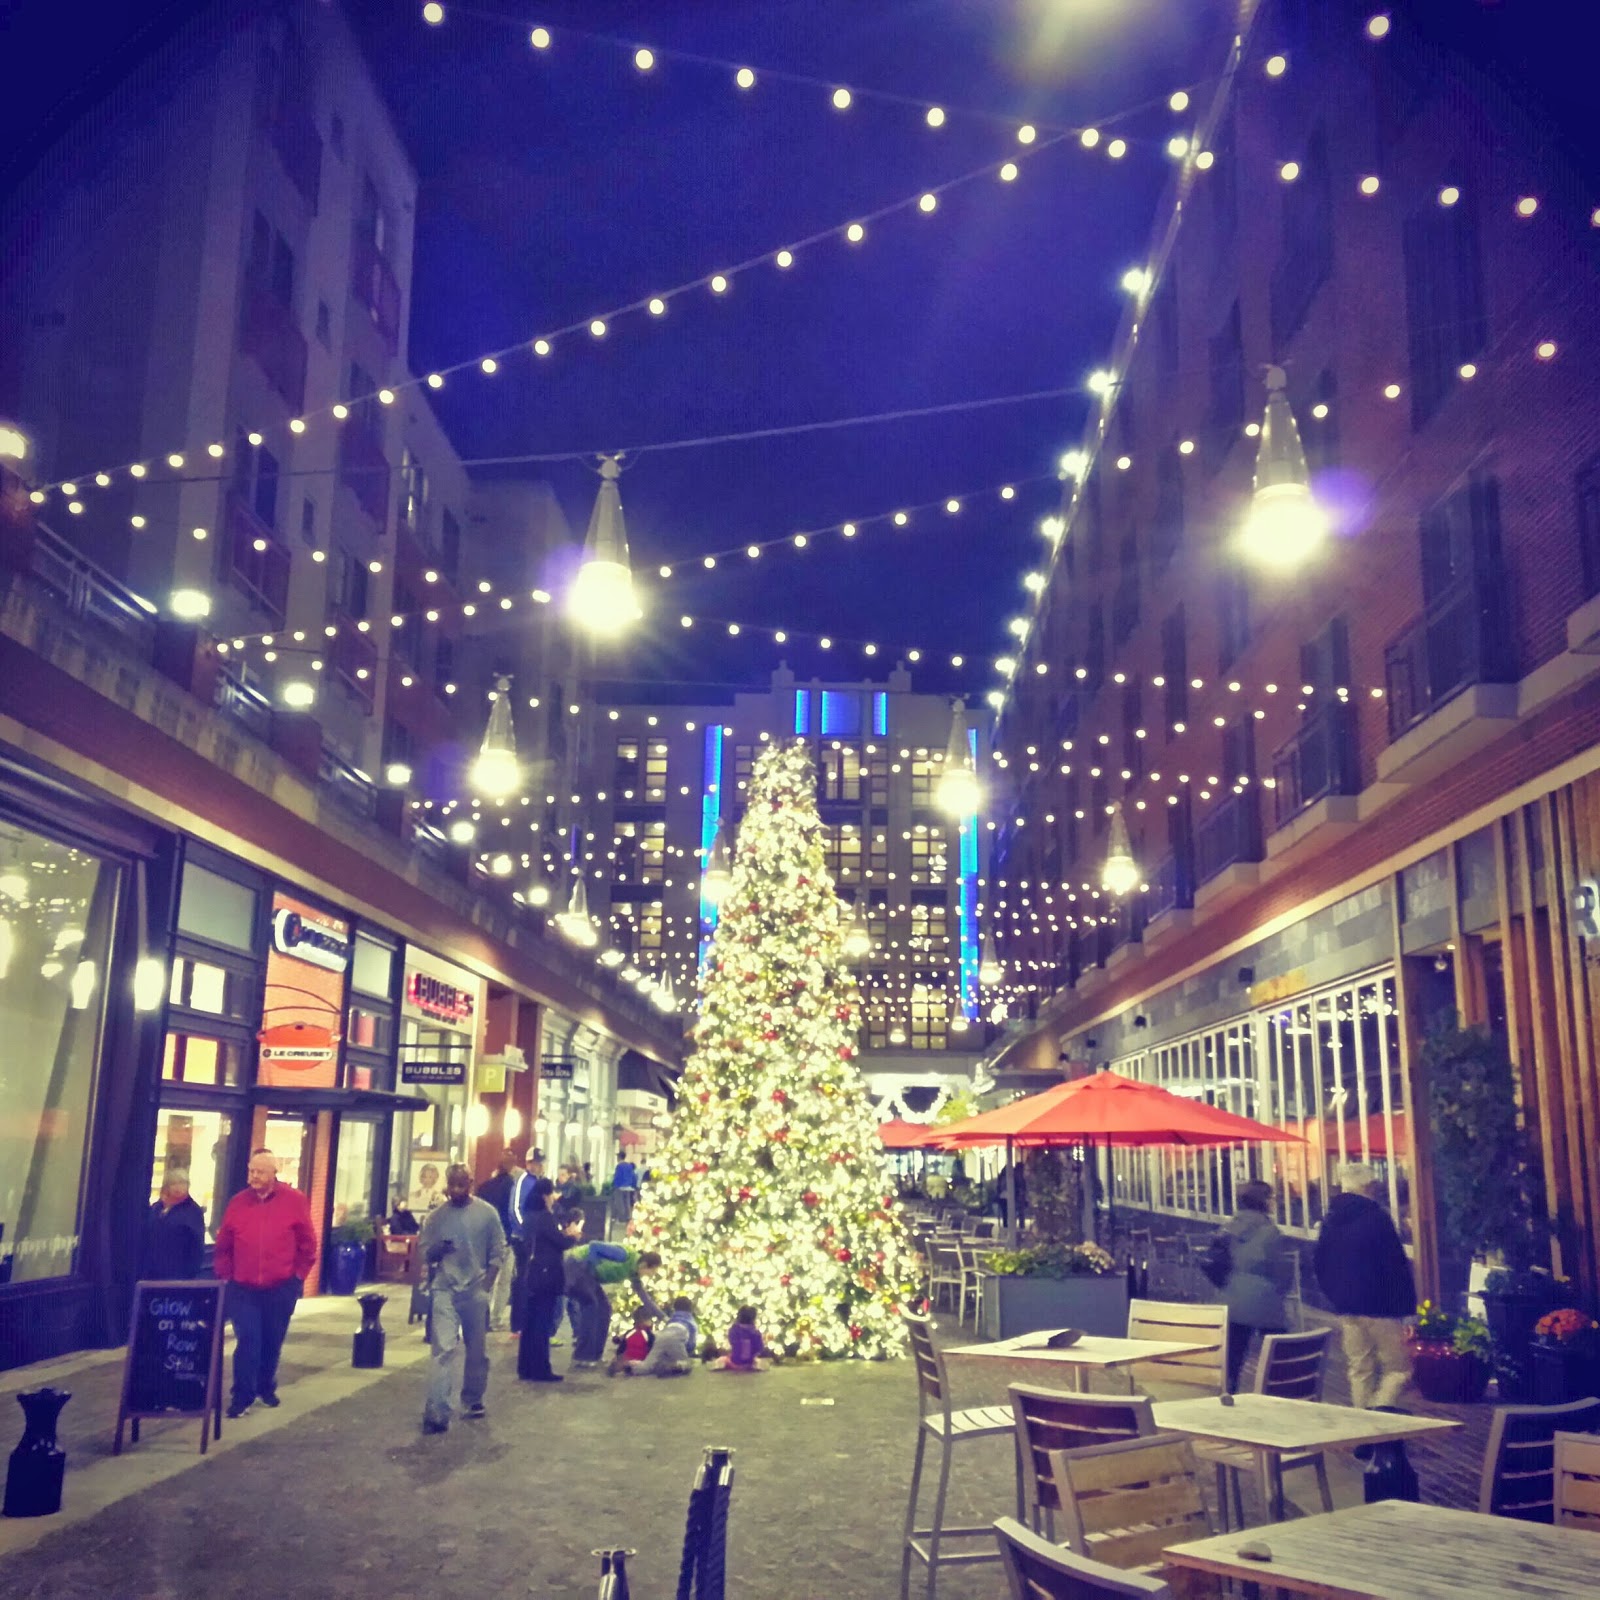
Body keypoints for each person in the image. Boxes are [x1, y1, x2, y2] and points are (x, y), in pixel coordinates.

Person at [213, 1149, 317, 1418]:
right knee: (248, 1339)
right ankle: (242, 1396)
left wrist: (298, 1276)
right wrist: (226, 1276)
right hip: (243, 1287)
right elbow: (224, 1244)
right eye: (251, 1171)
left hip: (280, 1286)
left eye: (260, 1172)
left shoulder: (294, 1200)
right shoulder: (238, 1202)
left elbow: (308, 1243)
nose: (254, 1176)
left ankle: (265, 1386)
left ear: (274, 1173)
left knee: (272, 1340)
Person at [1314, 1161, 1417, 1410]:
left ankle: (1362, 1422)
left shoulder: (1331, 1219)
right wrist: (1407, 1309)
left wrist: (1336, 1296)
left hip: (1346, 1307)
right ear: (1368, 1186)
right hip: (1381, 1307)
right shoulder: (1376, 1218)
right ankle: (1378, 1414)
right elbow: (1395, 1265)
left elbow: (1320, 1262)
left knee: (1360, 1369)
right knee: (1399, 1369)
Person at [417, 1163, 506, 1433]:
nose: (456, 1190)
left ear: (470, 1183)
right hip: (444, 1287)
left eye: (461, 1184)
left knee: (476, 1350)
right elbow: (424, 1252)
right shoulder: (436, 1217)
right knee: (443, 1349)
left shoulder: (487, 1214)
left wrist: (486, 1287)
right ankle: (437, 1410)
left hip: (475, 1289)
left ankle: (473, 1398)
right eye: (452, 1184)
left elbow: (498, 1252)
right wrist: (437, 1250)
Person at [1218, 1178, 1293, 1392]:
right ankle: (1276, 1393)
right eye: (1271, 1197)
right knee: (1277, 1352)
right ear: (1263, 1201)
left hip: (1232, 1297)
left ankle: (1228, 1392)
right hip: (1265, 1298)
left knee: (1233, 1356)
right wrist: (1281, 1289)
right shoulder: (1270, 1232)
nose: (1274, 1201)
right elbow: (1280, 1269)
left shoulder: (1229, 1227)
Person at [517, 1178, 583, 1383]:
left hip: (531, 1273)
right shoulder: (545, 1217)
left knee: (530, 1323)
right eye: (551, 1194)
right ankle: (541, 1369)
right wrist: (573, 1236)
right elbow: (560, 1242)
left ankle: (526, 1367)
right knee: (542, 1323)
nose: (553, 1197)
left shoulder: (529, 1216)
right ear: (545, 1195)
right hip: (546, 1275)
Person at [563, 1241, 662, 1368]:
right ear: (644, 1265)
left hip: (588, 1275)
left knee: (604, 1309)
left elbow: (644, 1297)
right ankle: (582, 1356)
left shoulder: (634, 1272)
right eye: (651, 1272)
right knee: (592, 1307)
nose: (650, 1275)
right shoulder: (624, 1255)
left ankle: (595, 1356)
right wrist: (591, 1267)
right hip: (577, 1265)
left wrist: (662, 1316)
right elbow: (595, 1246)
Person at [477, 1147, 531, 1333]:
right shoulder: (514, 1189)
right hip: (507, 1238)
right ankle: (496, 1319)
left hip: (486, 1239)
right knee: (504, 1281)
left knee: (487, 1279)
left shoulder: (484, 1187)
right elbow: (514, 1213)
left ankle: (482, 1317)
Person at [142, 1170, 207, 1280]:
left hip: (178, 1273)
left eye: (182, 1183)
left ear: (188, 1186)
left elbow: (197, 1245)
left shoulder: (193, 1211)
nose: (178, 1187)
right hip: (151, 1272)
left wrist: (190, 1273)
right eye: (174, 1183)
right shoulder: (157, 1208)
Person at [626, 1297, 697, 1376]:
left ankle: (631, 1366)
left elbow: (653, 1307)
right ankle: (675, 1366)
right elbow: (691, 1345)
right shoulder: (691, 1322)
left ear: (674, 1308)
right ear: (690, 1309)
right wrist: (686, 1352)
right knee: (687, 1364)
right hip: (677, 1337)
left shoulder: (671, 1319)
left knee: (648, 1364)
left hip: (662, 1336)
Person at [712, 1305, 770, 1373]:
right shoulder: (756, 1333)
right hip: (749, 1363)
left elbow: (732, 1343)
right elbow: (759, 1348)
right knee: (760, 1362)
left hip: (734, 1362)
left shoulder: (734, 1330)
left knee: (723, 1359)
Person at [608, 1308, 656, 1375]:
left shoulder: (630, 1332)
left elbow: (622, 1346)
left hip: (627, 1357)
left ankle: (622, 1366)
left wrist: (618, 1355)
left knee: (623, 1362)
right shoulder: (649, 1335)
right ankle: (630, 1369)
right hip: (641, 1359)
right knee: (644, 1366)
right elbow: (652, 1348)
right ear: (646, 1321)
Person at [610, 1152, 639, 1226]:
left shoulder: (619, 1166)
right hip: (629, 1187)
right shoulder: (629, 1166)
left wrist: (614, 1185)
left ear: (619, 1157)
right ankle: (628, 1217)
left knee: (620, 1203)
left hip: (620, 1187)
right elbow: (633, 1175)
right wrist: (633, 1186)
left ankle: (622, 1218)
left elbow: (617, 1177)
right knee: (627, 1203)